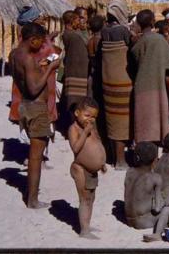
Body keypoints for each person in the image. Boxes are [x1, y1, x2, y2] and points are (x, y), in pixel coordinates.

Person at [10, 22, 60, 208]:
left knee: (34, 154)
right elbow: (34, 88)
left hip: (25, 106)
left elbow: (28, 74)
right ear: (33, 40)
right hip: (36, 107)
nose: (42, 46)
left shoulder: (15, 55)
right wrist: (49, 68)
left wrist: (47, 63)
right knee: (36, 157)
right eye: (40, 42)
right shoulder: (28, 59)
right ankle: (32, 200)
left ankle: (32, 197)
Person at [131, 9, 169, 144]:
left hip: (141, 86)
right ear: (153, 22)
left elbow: (134, 59)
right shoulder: (159, 40)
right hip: (158, 85)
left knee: (143, 122)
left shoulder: (137, 42)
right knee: (158, 120)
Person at [100, 0, 134, 170]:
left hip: (108, 81)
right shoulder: (122, 30)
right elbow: (132, 48)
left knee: (113, 119)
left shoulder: (104, 31)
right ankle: (121, 161)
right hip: (123, 81)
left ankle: (114, 157)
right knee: (122, 121)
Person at [68, 97, 107, 239]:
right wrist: (85, 132)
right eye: (87, 115)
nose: (90, 119)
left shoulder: (92, 128)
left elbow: (97, 142)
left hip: (93, 171)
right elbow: (76, 148)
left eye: (94, 117)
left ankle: (86, 224)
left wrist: (101, 163)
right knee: (84, 199)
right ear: (77, 113)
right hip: (80, 169)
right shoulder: (74, 128)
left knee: (91, 197)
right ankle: (84, 231)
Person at [124, 142, 164, 229]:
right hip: (144, 222)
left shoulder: (129, 172)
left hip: (128, 220)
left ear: (136, 158)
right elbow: (157, 208)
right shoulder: (155, 178)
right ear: (155, 160)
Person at [61, 10, 89, 132]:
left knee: (73, 100)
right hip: (78, 73)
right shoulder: (74, 36)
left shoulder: (68, 34)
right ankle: (74, 129)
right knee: (76, 102)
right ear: (72, 21)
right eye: (77, 19)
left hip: (73, 72)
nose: (79, 22)